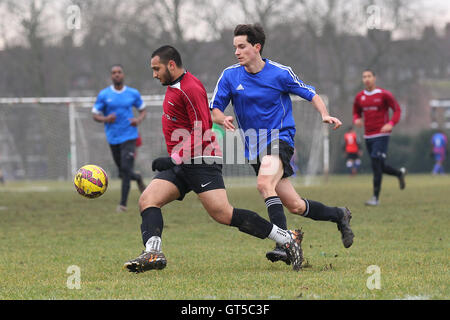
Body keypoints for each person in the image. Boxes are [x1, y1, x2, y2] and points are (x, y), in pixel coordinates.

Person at [123, 45, 304, 273]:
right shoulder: (173, 86)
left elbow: (203, 128)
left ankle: (287, 238)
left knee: (224, 214)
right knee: (147, 200)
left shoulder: (190, 88)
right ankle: (153, 252)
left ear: (171, 64)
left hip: (201, 159)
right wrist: (176, 159)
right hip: (183, 160)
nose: (154, 74)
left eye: (156, 68)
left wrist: (174, 158)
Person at [209, 24, 354, 265]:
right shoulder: (229, 76)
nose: (237, 52)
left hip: (280, 139)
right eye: (235, 47)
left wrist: (324, 114)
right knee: (295, 205)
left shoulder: (279, 72)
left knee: (264, 183)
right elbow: (214, 109)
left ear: (257, 47)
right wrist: (221, 118)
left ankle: (284, 243)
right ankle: (339, 214)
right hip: (254, 148)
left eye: (242, 46)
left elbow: (310, 93)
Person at [92, 64, 147, 212]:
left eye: (119, 72)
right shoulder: (104, 95)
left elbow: (142, 110)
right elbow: (95, 115)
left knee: (126, 168)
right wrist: (105, 119)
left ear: (123, 75)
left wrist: (138, 120)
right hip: (113, 138)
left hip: (130, 136)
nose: (117, 74)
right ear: (111, 76)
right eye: (114, 73)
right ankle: (138, 178)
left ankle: (122, 204)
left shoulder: (133, 93)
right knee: (123, 172)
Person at [352, 69, 407, 206]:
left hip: (382, 134)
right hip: (368, 136)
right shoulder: (360, 97)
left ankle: (375, 198)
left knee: (376, 163)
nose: (366, 79)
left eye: (369, 76)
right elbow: (356, 112)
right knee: (379, 166)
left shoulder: (384, 95)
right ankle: (399, 173)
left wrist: (391, 123)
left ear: (375, 78)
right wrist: (357, 119)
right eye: (364, 76)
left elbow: (397, 110)